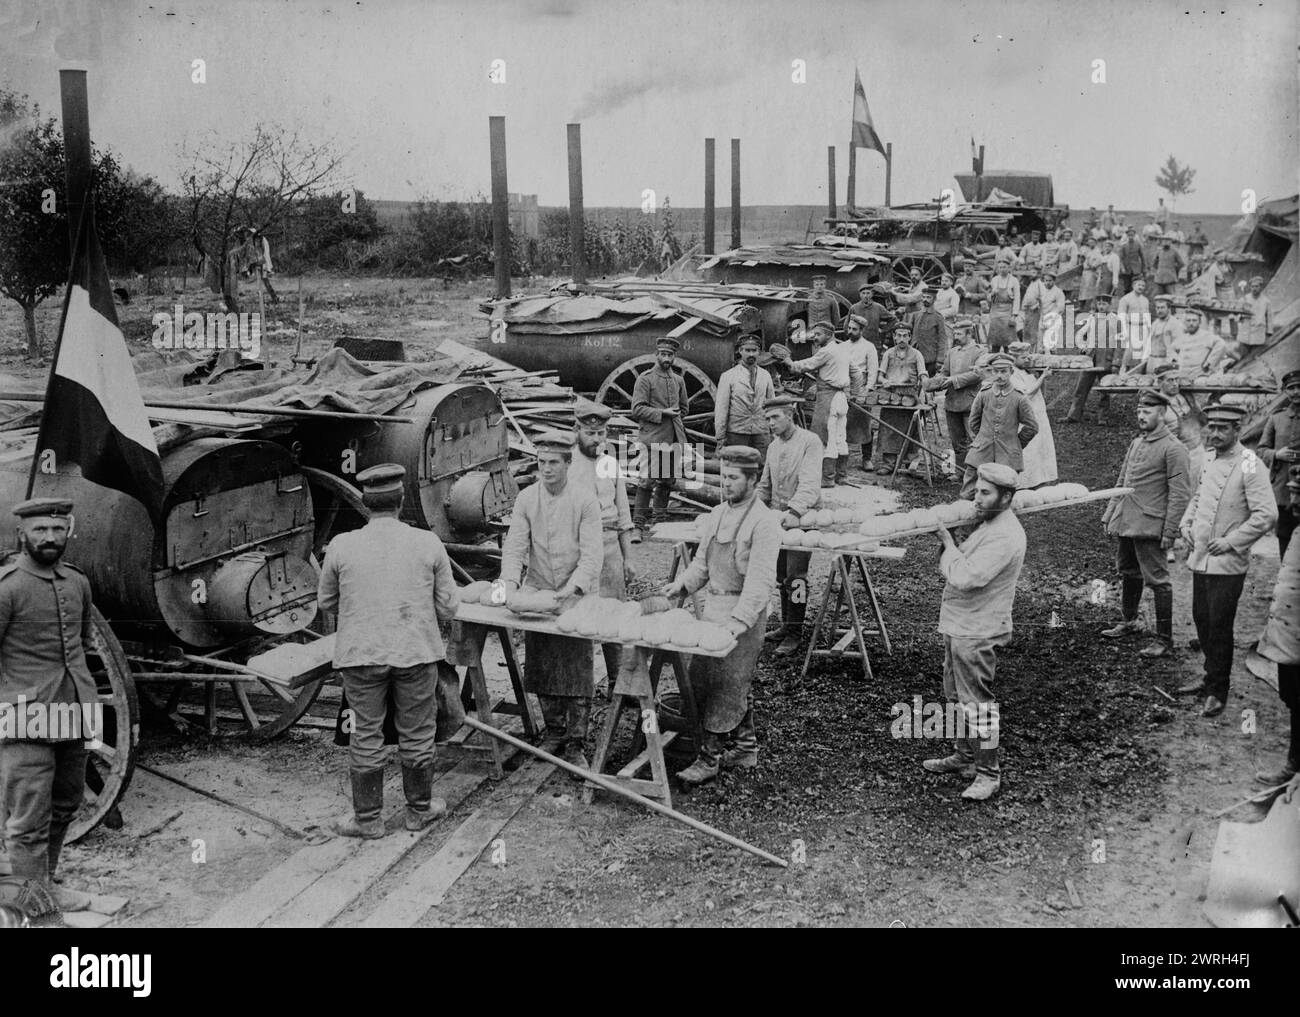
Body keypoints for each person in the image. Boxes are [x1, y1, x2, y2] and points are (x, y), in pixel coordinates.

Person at [318, 465, 460, 838]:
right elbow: (448, 606)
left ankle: (367, 820)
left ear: (366, 504)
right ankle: (419, 811)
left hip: (361, 654)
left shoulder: (341, 545)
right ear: (400, 502)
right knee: (417, 731)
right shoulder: (427, 543)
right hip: (415, 652)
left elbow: (327, 601)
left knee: (365, 733)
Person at [0, 498, 101, 915]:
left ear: (68, 531)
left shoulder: (77, 582)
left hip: (73, 712)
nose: (49, 538)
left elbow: (82, 642)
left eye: (57, 530)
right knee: (27, 822)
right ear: (22, 533)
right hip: (25, 717)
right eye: (40, 530)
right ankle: (35, 910)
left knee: (65, 804)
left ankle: (46, 888)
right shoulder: (7, 587)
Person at [662, 446, 780, 783]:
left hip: (744, 615)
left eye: (732, 478)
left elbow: (760, 584)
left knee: (727, 683)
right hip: (714, 610)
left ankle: (709, 758)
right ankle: (745, 747)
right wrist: (681, 587)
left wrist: (737, 624)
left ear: (752, 480)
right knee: (706, 678)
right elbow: (701, 564)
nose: (725, 484)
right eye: (723, 476)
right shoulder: (716, 514)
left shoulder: (764, 523)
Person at [922, 462, 1027, 801]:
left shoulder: (1005, 535)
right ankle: (963, 755)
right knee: (954, 695)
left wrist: (946, 541)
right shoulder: (989, 522)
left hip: (979, 629)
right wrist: (951, 541)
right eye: (977, 491)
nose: (977, 499)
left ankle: (988, 773)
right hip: (960, 622)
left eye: (985, 493)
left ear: (1007, 496)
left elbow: (966, 577)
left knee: (977, 703)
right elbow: (959, 564)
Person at [498, 431, 603, 766]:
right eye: (541, 462)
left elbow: (591, 555)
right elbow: (514, 547)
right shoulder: (527, 499)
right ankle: (554, 731)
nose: (546, 469)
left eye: (553, 462)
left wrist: (571, 590)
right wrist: (509, 584)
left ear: (568, 464)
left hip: (576, 593)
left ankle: (576, 742)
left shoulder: (585, 500)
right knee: (542, 663)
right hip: (539, 589)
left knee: (576, 667)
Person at [1177, 404, 1278, 717]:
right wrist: (1186, 523)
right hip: (1201, 557)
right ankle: (1209, 677)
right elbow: (1198, 496)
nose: (1215, 433)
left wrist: (1233, 541)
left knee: (1219, 625)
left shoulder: (1249, 463)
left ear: (1238, 430)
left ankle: (1218, 690)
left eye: (1224, 428)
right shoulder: (1209, 458)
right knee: (1203, 620)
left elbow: (1267, 514)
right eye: (1212, 427)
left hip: (1227, 562)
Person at [1100, 392, 1191, 658]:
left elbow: (1180, 493)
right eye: (1139, 411)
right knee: (1129, 570)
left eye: (1147, 411)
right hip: (1127, 520)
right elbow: (1122, 481)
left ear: (1162, 414)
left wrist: (1170, 531)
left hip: (1151, 525)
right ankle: (1130, 622)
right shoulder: (1136, 443)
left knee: (1159, 581)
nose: (1141, 416)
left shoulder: (1174, 449)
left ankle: (1164, 639)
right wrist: (1109, 514)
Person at [570, 399, 637, 684]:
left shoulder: (611, 463)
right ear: (577, 430)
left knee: (614, 617)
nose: (596, 439)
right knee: (579, 617)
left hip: (610, 549)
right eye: (589, 432)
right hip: (579, 550)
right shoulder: (567, 464)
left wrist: (628, 559)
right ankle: (580, 687)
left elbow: (624, 514)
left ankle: (617, 683)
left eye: (601, 433)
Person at [756, 395, 824, 656]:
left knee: (796, 578)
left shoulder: (810, 442)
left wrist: (794, 511)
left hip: (801, 519)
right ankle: (786, 625)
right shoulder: (773, 446)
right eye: (767, 419)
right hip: (777, 519)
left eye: (775, 418)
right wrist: (753, 510)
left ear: (790, 414)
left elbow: (810, 484)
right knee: (780, 575)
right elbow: (765, 485)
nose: (770, 423)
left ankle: (795, 633)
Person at [1253, 463, 1300, 787]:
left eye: (1298, 496)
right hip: (1289, 633)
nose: (1291, 502)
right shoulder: (1297, 530)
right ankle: (1295, 762)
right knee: (1294, 699)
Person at [780, 321, 862, 486]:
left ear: (829, 335)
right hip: (842, 398)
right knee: (840, 437)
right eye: (814, 334)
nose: (815, 338)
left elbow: (805, 366)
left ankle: (827, 478)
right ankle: (842, 476)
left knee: (825, 437)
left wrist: (788, 361)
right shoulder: (843, 350)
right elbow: (857, 374)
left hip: (828, 397)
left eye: (818, 334)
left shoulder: (826, 351)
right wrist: (854, 394)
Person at [631, 336, 689, 535]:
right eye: (663, 354)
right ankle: (638, 526)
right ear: (656, 355)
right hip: (652, 438)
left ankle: (659, 523)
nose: (666, 358)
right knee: (646, 481)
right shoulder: (645, 379)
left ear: (674, 357)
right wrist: (662, 413)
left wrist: (675, 421)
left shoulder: (678, 380)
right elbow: (637, 409)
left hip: (672, 438)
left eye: (670, 355)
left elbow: (684, 408)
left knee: (665, 480)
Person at [960, 352, 1038, 498]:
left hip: (1008, 456)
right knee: (969, 492)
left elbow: (1032, 426)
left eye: (1004, 371)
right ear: (992, 371)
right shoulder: (984, 394)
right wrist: (983, 439)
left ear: (1011, 372)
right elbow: (973, 421)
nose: (1000, 375)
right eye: (996, 371)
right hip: (981, 451)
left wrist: (1016, 443)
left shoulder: (1019, 398)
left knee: (1003, 496)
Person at [927, 320, 986, 472]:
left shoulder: (980, 352)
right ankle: (960, 471)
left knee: (975, 439)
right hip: (952, 401)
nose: (956, 337)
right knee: (957, 441)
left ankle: (977, 472)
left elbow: (977, 374)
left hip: (971, 401)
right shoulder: (952, 352)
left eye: (959, 334)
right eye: (955, 334)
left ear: (969, 334)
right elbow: (944, 371)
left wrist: (954, 380)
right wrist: (936, 381)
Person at [875, 322, 929, 475]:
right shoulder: (888, 354)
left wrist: (925, 380)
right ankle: (888, 463)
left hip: (910, 396)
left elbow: (922, 372)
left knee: (911, 429)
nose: (902, 339)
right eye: (898, 335)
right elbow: (880, 375)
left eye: (905, 335)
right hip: (891, 396)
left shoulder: (917, 354)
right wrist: (884, 381)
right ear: (894, 337)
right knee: (888, 428)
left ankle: (911, 461)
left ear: (910, 337)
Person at [1257, 369, 1300, 558]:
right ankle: (1286, 579)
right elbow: (1260, 450)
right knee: (1285, 535)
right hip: (1282, 489)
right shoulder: (1276, 418)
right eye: (1291, 388)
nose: (1297, 391)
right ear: (1285, 391)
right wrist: (1277, 454)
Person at [1061, 293, 1121, 424]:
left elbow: (1120, 342)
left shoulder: (1115, 319)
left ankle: (1102, 417)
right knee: (1081, 387)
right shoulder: (1092, 318)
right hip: (1090, 358)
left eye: (1104, 304)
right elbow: (1082, 334)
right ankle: (1073, 415)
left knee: (1105, 389)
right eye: (1099, 304)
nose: (1101, 307)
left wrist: (1116, 362)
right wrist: (1083, 347)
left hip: (1106, 358)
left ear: (1109, 305)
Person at [714, 334, 775, 459]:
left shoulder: (766, 375)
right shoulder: (728, 376)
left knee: (762, 466)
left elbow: (772, 405)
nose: (751, 354)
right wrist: (720, 436)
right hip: (737, 431)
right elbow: (721, 408)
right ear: (740, 351)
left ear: (759, 352)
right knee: (738, 467)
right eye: (747, 350)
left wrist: (773, 431)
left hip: (761, 431)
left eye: (754, 350)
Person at [1007, 343, 1058, 488]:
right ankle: (1025, 482)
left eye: (1028, 357)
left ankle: (1039, 478)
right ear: (1013, 358)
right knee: (1029, 449)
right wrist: (1043, 377)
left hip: (1038, 413)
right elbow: (1027, 393)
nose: (1027, 360)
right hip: (1025, 416)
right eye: (1023, 357)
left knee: (1040, 447)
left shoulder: (1026, 371)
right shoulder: (1012, 374)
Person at [844, 315, 878, 467]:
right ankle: (842, 458)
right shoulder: (843, 346)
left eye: (854, 329)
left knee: (865, 423)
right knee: (842, 422)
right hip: (845, 387)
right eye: (849, 328)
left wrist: (867, 389)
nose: (851, 332)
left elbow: (873, 370)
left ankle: (867, 458)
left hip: (861, 387)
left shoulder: (869, 347)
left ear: (861, 330)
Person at [1168, 306, 1228, 375]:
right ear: (1185, 322)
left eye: (1194, 320)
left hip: (1200, 374)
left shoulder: (1206, 336)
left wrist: (1209, 363)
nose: (1191, 323)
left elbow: (1221, 344)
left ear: (1199, 322)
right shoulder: (1182, 338)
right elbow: (1171, 349)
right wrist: (1174, 361)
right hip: (1184, 374)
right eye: (1188, 320)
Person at [907, 290, 951, 376]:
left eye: (928, 297)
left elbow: (942, 339)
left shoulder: (938, 317)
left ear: (934, 299)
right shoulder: (916, 315)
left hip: (930, 359)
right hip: (915, 356)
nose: (925, 299)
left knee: (928, 384)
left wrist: (940, 359)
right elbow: (909, 333)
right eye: (923, 297)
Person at [986, 261, 1020, 352]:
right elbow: (989, 298)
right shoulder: (994, 280)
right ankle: (995, 358)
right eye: (1000, 267)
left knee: (1008, 341)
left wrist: (1014, 315)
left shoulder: (1014, 280)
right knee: (995, 340)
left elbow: (1017, 298)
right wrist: (993, 293)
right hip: (995, 313)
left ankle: (1008, 359)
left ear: (1009, 268)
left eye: (1004, 267)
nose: (1002, 269)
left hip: (1007, 312)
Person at [1239, 275, 1272, 353]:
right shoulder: (1244, 299)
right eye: (1252, 286)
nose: (1254, 288)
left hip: (1258, 335)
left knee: (1255, 357)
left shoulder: (1266, 302)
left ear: (1261, 287)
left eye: (1256, 286)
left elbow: (1269, 319)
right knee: (1243, 357)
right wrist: (1240, 315)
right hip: (1245, 335)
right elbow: (1236, 315)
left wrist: (1269, 333)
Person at [1117, 226, 1145, 299]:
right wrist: (1122, 268)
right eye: (1129, 235)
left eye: (1132, 235)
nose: (1130, 236)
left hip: (1136, 269)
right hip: (1126, 269)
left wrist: (1143, 269)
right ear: (1127, 236)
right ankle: (1127, 300)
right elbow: (1120, 258)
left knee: (1136, 286)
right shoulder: (1124, 246)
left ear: (1134, 235)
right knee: (1126, 287)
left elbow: (1142, 257)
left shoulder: (1138, 245)